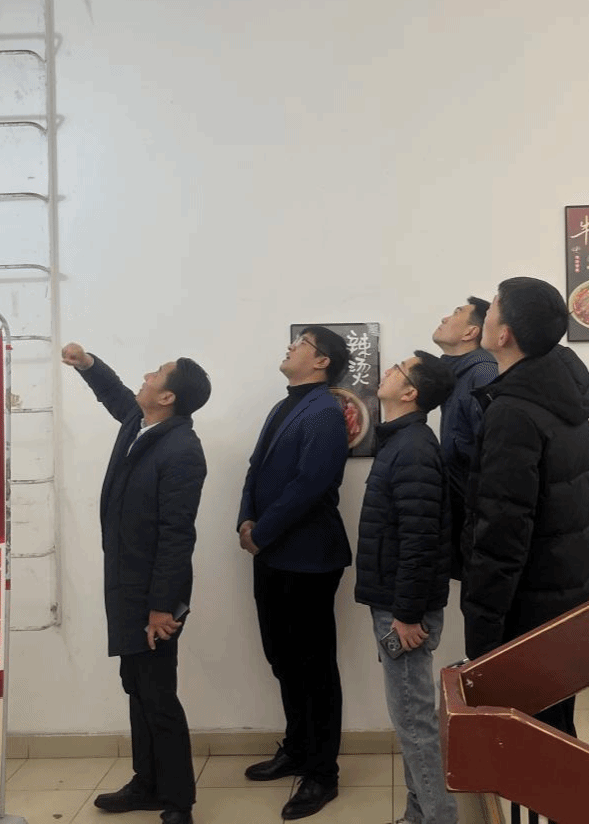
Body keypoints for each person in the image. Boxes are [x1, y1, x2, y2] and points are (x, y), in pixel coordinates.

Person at [62, 343, 210, 824]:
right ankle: (147, 782)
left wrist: (162, 606)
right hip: (128, 586)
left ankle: (179, 801)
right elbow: (116, 394)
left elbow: (177, 535)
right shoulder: (140, 424)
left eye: (157, 373)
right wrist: (87, 364)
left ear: (168, 398)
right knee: (138, 686)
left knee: (158, 694)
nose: (147, 375)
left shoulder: (182, 450)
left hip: (155, 596)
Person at [460, 277, 589, 735]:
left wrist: (483, 633)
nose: (486, 312)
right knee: (554, 728)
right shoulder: (558, 394)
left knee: (531, 739)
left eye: (493, 307)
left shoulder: (514, 411)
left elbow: (502, 529)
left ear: (504, 335)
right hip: (560, 595)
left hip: (526, 609)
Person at [237, 327, 352, 819]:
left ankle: (322, 773)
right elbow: (255, 469)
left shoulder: (325, 410)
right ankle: (298, 749)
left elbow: (310, 484)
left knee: (313, 667)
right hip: (271, 553)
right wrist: (245, 519)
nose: (290, 347)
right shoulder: (284, 405)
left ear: (321, 360)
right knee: (282, 657)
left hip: (308, 557)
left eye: (301, 342)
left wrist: (262, 532)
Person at [354, 351, 458, 824]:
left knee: (415, 724)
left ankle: (439, 818)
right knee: (410, 720)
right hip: (396, 604)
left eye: (397, 369)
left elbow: (421, 539)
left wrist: (408, 614)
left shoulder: (413, 448)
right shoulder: (402, 441)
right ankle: (418, 815)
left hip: (403, 612)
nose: (388, 371)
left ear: (411, 392)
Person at [432, 298, 498, 579]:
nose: (445, 318)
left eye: (456, 313)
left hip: (480, 525)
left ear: (471, 332)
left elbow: (494, 459)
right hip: (466, 518)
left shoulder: (483, 373)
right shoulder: (458, 374)